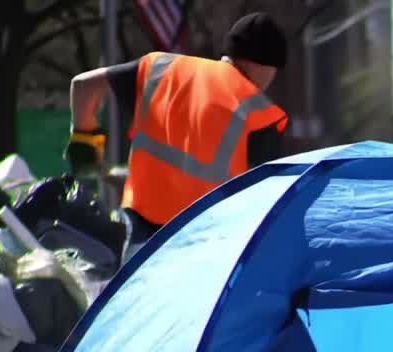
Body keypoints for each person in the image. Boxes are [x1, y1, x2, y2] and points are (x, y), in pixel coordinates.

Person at [64, 12, 290, 264]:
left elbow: (83, 85)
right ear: (260, 64)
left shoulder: (160, 68)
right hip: (209, 245)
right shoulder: (260, 113)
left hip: (142, 234)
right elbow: (263, 202)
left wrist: (84, 139)